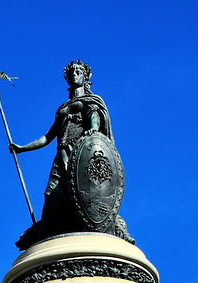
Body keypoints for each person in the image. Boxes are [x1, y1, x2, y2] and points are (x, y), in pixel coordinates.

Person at [10, 60, 132, 249]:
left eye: (78, 71)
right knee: (51, 196)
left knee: (86, 193)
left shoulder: (92, 101)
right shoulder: (62, 108)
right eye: (72, 72)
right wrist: (22, 148)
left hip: (82, 152)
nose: (75, 74)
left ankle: (115, 226)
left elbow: (94, 118)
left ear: (85, 76)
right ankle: (46, 232)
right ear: (67, 78)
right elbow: (47, 137)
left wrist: (92, 130)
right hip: (62, 155)